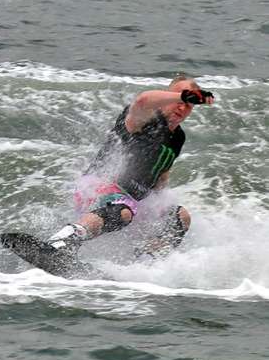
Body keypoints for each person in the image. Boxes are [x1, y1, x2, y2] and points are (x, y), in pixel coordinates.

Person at [47, 75, 215, 259]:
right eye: (179, 99)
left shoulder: (178, 137)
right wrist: (184, 96)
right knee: (123, 212)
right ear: (166, 96)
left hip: (134, 200)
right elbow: (143, 100)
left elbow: (162, 174)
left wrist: (158, 203)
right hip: (98, 187)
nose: (182, 107)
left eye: (189, 104)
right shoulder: (146, 117)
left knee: (180, 217)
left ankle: (146, 259)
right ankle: (64, 241)